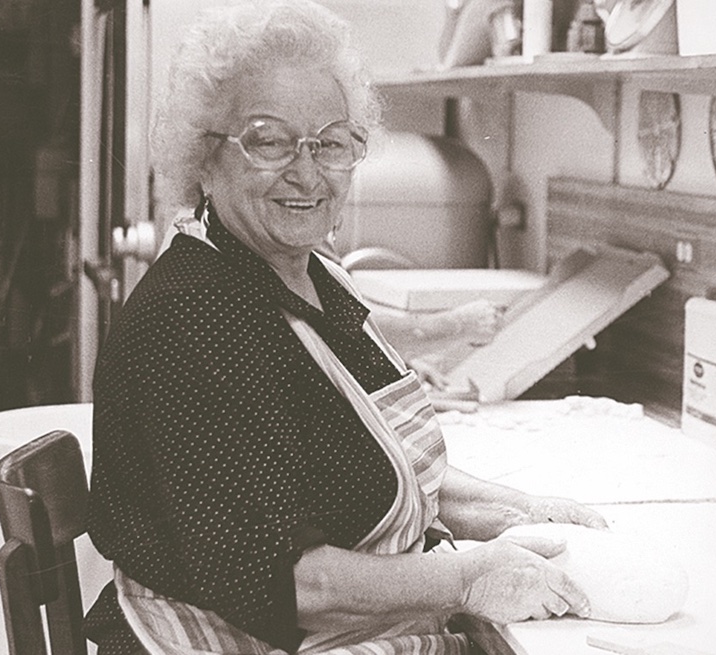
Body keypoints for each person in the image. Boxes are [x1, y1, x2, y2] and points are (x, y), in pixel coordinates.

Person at [84, 1, 607, 654]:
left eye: (332, 142)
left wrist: (519, 510)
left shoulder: (304, 272)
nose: (307, 172)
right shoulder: (194, 321)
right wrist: (466, 578)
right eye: (270, 139)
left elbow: (365, 474)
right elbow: (280, 583)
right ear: (205, 153)